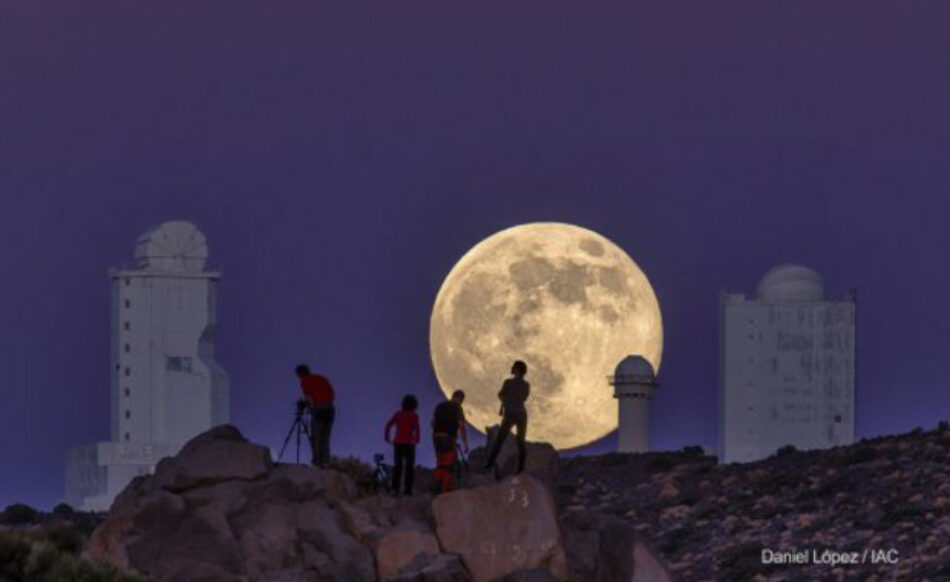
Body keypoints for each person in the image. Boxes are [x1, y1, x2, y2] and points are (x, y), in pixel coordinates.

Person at [484, 360, 530, 474]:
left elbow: (518, 398)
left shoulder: (520, 384)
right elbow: (502, 395)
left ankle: (520, 469)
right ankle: (490, 463)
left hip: (517, 414)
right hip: (513, 413)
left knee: (518, 440)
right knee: (502, 439)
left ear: (517, 369)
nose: (512, 368)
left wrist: (506, 399)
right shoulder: (511, 383)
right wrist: (504, 403)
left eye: (514, 367)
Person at [295, 363, 336, 467]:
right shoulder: (321, 378)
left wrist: (307, 406)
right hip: (330, 408)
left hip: (319, 408)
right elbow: (332, 393)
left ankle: (317, 461)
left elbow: (309, 398)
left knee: (317, 436)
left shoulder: (305, 381)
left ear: (301, 373)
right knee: (325, 437)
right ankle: (326, 461)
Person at [431, 390, 469, 493]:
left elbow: (432, 423)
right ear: (460, 398)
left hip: (436, 437)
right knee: (449, 464)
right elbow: (461, 426)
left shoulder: (440, 406)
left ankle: (437, 487)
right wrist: (465, 443)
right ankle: (445, 492)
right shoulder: (457, 408)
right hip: (448, 438)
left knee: (440, 462)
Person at [384, 394, 420, 496]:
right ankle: (407, 490)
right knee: (409, 467)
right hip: (409, 443)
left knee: (397, 466)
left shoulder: (398, 414)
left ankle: (395, 488)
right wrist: (416, 440)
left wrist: (387, 438)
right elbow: (417, 429)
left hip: (398, 443)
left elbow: (388, 425)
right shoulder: (414, 416)